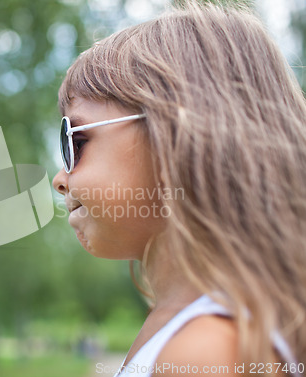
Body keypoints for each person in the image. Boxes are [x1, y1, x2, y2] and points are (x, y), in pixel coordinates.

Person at [52, 1, 306, 376]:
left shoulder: (207, 351)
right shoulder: (189, 330)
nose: (59, 178)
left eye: (74, 141)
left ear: (176, 136)